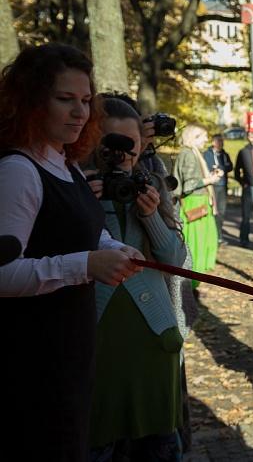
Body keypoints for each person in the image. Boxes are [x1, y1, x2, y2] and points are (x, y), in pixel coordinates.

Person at [0, 44, 143, 461]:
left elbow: (84, 231)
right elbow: (3, 272)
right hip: (29, 363)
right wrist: (85, 265)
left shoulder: (64, 164)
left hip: (67, 355)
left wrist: (115, 248)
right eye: (65, 99)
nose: (80, 112)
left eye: (85, 100)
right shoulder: (18, 172)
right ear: (30, 100)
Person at [88, 98, 187, 461]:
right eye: (111, 145)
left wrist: (152, 216)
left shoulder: (150, 184)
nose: (123, 156)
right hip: (97, 349)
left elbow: (175, 261)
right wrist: (85, 206)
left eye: (132, 145)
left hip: (153, 346)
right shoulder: (76, 186)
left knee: (156, 447)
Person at [172, 124, 221, 287]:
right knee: (196, 245)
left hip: (198, 203)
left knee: (200, 243)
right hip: (194, 204)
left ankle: (192, 284)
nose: (207, 140)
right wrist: (211, 180)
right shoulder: (188, 154)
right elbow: (188, 185)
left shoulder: (192, 153)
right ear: (193, 137)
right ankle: (190, 284)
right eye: (203, 136)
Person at [203, 133, 233, 245]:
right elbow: (204, 166)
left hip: (222, 186)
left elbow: (230, 166)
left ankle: (219, 236)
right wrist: (213, 170)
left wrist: (222, 168)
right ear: (213, 142)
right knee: (213, 211)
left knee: (221, 211)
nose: (221, 143)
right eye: (219, 141)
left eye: (222, 141)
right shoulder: (207, 154)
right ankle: (212, 236)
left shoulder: (224, 154)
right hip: (211, 186)